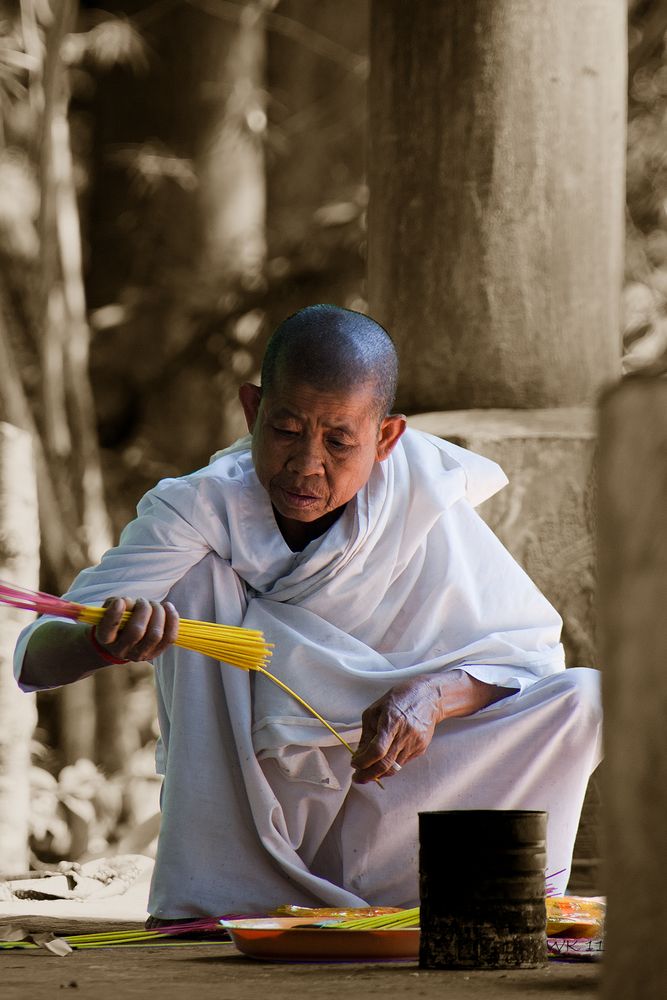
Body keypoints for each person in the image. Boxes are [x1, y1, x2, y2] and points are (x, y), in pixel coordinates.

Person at [14, 304, 602, 922]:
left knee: (582, 701)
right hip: (259, 807)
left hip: (397, 800)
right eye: (287, 430)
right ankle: (228, 889)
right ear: (252, 410)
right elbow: (37, 655)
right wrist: (106, 643)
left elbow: (527, 660)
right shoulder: (199, 510)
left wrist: (432, 696)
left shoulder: (422, 504)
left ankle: (461, 889)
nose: (306, 463)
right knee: (197, 582)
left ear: (386, 438)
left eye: (339, 440)